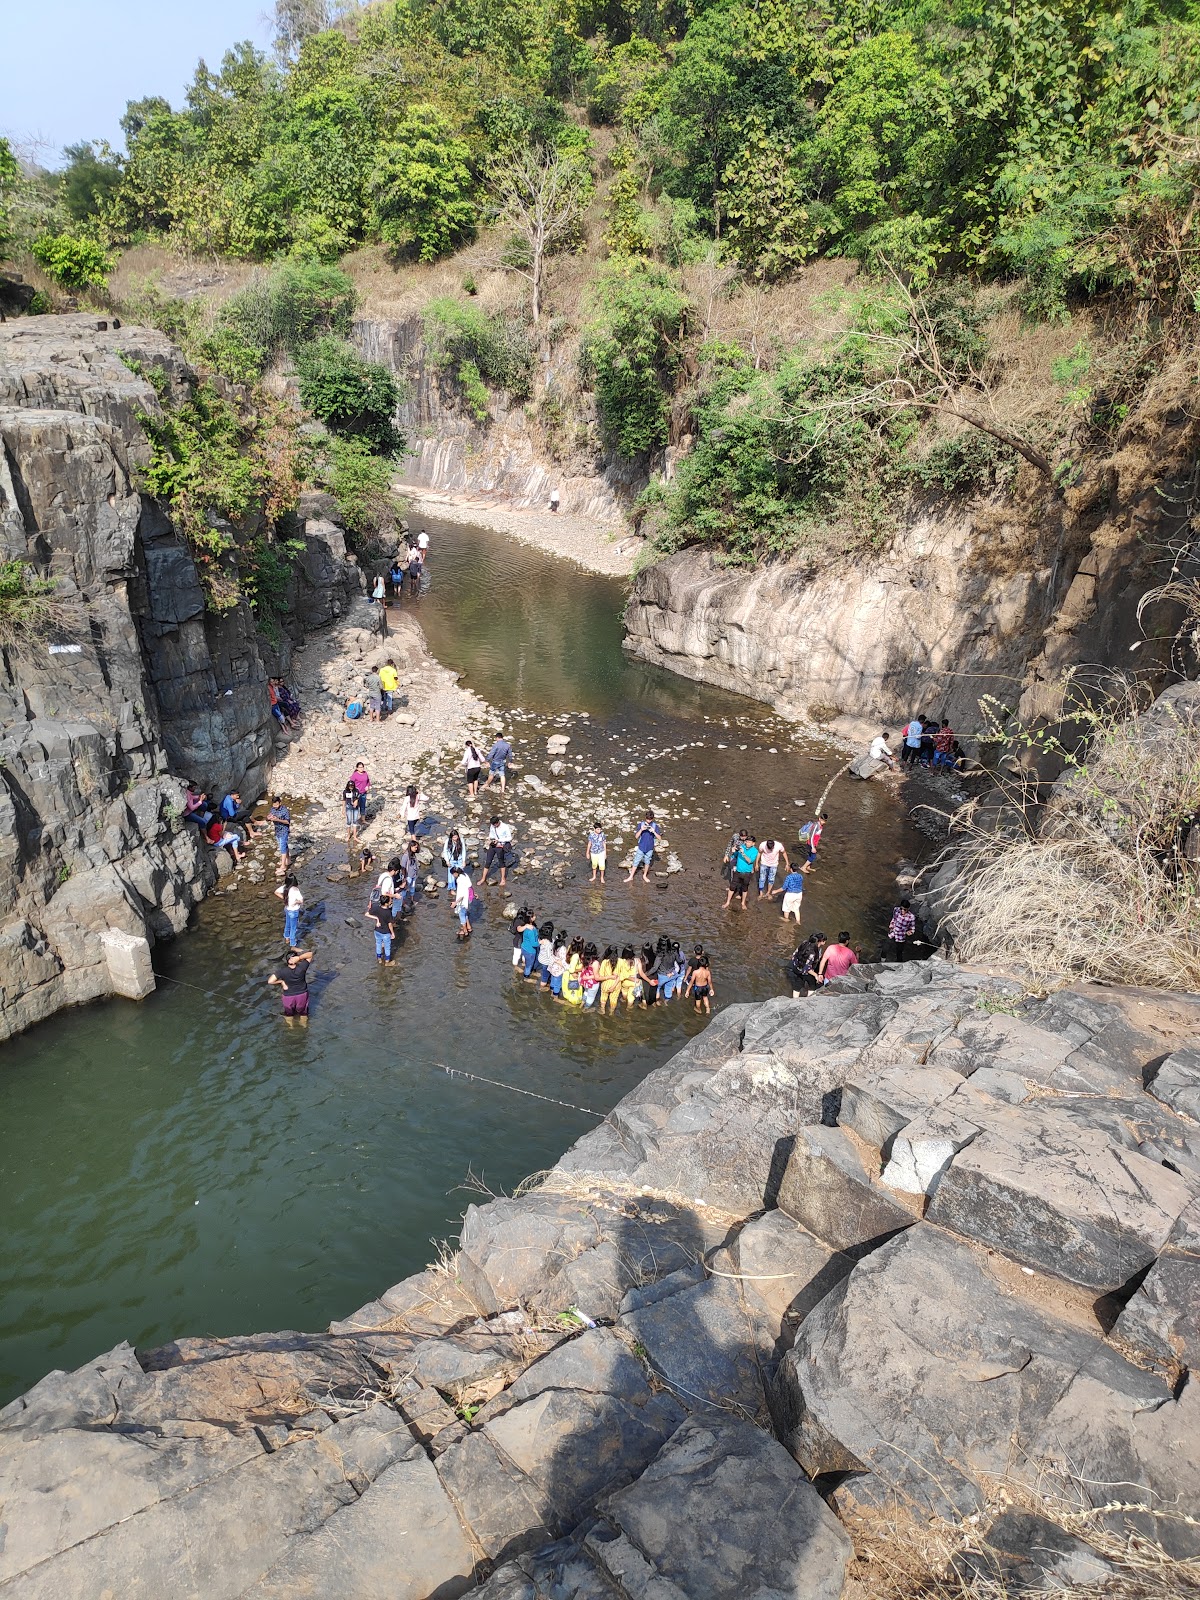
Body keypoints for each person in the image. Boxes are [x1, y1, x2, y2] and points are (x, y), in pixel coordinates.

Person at [268, 945, 313, 1023]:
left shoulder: (282, 971)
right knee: (303, 1014)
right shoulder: (302, 967)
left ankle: (290, 1028)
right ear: (295, 959)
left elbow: (270, 981)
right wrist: (299, 958)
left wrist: (281, 982)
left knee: (289, 1015)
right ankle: (304, 1027)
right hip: (302, 994)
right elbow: (310, 954)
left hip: (288, 996)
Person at [723, 832, 759, 910]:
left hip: (747, 873)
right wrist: (733, 851)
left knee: (745, 887)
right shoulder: (741, 846)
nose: (747, 843)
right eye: (746, 841)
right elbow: (734, 855)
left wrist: (743, 853)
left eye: (749, 842)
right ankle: (727, 902)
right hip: (738, 871)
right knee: (732, 886)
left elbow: (750, 861)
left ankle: (743, 903)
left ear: (753, 843)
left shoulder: (755, 851)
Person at [625, 810, 661, 884]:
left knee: (647, 862)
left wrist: (653, 831)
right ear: (645, 817)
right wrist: (641, 829)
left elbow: (659, 838)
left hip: (650, 848)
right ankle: (631, 876)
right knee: (636, 861)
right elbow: (636, 836)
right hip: (641, 846)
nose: (648, 821)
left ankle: (644, 875)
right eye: (647, 819)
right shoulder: (641, 825)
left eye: (650, 819)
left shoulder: (655, 826)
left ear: (652, 819)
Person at [790, 933, 826, 998]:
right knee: (812, 985)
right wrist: (816, 975)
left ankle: (794, 1000)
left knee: (797, 984)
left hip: (797, 968)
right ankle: (809, 1000)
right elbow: (807, 968)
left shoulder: (804, 943)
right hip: (805, 971)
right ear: (819, 942)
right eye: (824, 941)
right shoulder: (812, 953)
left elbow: (794, 955)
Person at [484, 814, 513, 888]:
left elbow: (509, 838)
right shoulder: (492, 826)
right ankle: (483, 878)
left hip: (501, 845)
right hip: (494, 844)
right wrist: (491, 839)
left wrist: (499, 840)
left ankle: (503, 879)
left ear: (497, 823)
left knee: (501, 862)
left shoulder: (505, 827)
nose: (493, 826)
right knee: (488, 861)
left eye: (494, 825)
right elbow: (491, 833)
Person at [275, 874, 304, 947]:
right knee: (293, 928)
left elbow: (276, 892)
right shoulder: (295, 890)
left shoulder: (284, 887)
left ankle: (286, 938)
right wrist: (296, 902)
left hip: (287, 909)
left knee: (287, 924)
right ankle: (293, 944)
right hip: (294, 911)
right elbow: (301, 900)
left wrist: (285, 899)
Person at [368, 892, 396, 963]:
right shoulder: (388, 912)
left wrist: (377, 919)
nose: (391, 901)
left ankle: (379, 959)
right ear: (386, 903)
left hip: (377, 931)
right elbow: (390, 924)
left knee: (378, 944)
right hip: (386, 932)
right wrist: (392, 933)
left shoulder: (376, 908)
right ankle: (387, 961)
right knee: (387, 947)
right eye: (390, 900)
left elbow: (367, 914)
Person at [268, 797, 291, 876]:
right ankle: (288, 860)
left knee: (282, 847)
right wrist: (269, 817)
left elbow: (287, 822)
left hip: (284, 830)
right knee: (284, 845)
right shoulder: (273, 809)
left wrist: (277, 819)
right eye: (274, 804)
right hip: (277, 830)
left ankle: (283, 866)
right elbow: (270, 815)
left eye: (277, 804)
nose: (275, 806)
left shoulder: (285, 810)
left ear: (280, 803)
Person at [452, 867, 474, 940]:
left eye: (453, 874)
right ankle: (469, 927)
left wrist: (455, 902)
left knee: (461, 914)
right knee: (464, 912)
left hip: (464, 899)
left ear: (456, 873)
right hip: (469, 896)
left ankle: (464, 931)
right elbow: (470, 885)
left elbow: (462, 894)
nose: (453, 876)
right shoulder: (465, 875)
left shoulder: (459, 880)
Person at [598, 945, 620, 1014]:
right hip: (616, 984)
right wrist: (613, 986)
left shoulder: (605, 962)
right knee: (613, 1000)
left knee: (603, 998)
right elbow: (620, 976)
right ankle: (611, 1013)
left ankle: (602, 1010)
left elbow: (601, 975)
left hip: (606, 983)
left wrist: (609, 977)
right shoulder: (620, 962)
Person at [563, 936, 585, 1005]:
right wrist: (581, 969)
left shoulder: (570, 947)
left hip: (566, 975)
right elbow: (572, 970)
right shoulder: (576, 956)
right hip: (573, 977)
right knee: (574, 996)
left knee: (568, 992)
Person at [616, 944, 638, 1009]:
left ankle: (624, 1000)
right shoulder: (636, 960)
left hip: (625, 981)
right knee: (631, 997)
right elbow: (639, 972)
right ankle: (629, 1007)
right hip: (634, 982)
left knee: (624, 992)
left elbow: (620, 973)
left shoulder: (620, 961)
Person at [520, 914, 541, 979]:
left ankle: (529, 972)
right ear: (531, 918)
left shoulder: (526, 927)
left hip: (524, 947)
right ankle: (526, 976)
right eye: (534, 916)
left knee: (528, 963)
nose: (535, 916)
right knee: (529, 965)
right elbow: (533, 944)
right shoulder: (531, 931)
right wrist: (540, 942)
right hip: (530, 951)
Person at [580, 943, 601, 1009]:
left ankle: (581, 1004)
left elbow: (583, 968)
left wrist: (585, 977)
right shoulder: (595, 963)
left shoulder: (583, 957)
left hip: (585, 981)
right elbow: (596, 977)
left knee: (586, 992)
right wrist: (606, 977)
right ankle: (585, 1009)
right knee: (591, 997)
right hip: (592, 983)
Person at [536, 921, 555, 986]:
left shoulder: (541, 939)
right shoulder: (548, 944)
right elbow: (549, 956)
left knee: (544, 973)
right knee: (545, 977)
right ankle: (542, 986)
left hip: (541, 958)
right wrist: (552, 964)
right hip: (546, 962)